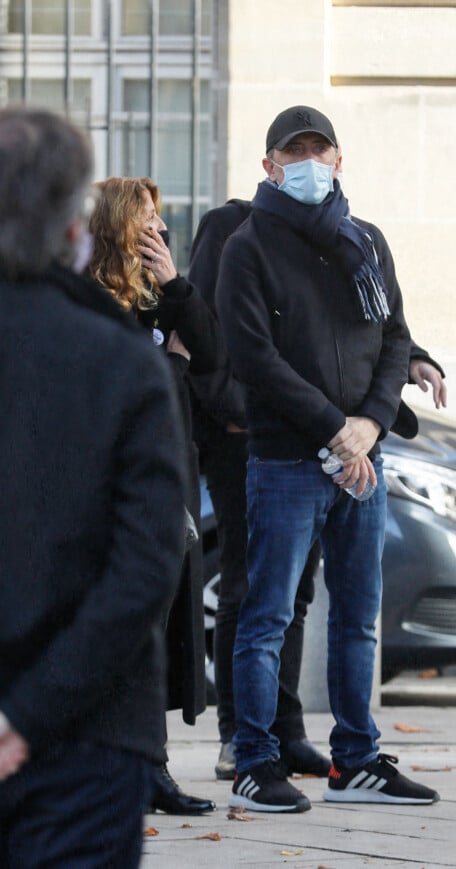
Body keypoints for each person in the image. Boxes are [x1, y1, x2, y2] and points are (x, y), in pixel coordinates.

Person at [215, 105, 441, 813]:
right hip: (288, 460)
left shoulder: (366, 242)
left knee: (358, 619)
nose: (308, 162)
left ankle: (357, 759)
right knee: (267, 615)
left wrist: (369, 425)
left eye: (320, 150)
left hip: (361, 464)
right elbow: (254, 357)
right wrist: (334, 432)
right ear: (269, 166)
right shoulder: (246, 247)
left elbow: (394, 339)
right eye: (294, 152)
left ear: (339, 160)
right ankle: (254, 761)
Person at [0, 106, 187, 867]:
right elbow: (147, 563)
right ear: (74, 224)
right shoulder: (123, 360)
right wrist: (27, 717)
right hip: (92, 733)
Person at [88, 176, 222, 815]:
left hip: (167, 484)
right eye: (148, 221)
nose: (162, 231)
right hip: (107, 494)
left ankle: (151, 770)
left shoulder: (157, 297)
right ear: (119, 226)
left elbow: (215, 355)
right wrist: (172, 362)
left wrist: (175, 285)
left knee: (161, 631)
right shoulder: (86, 303)